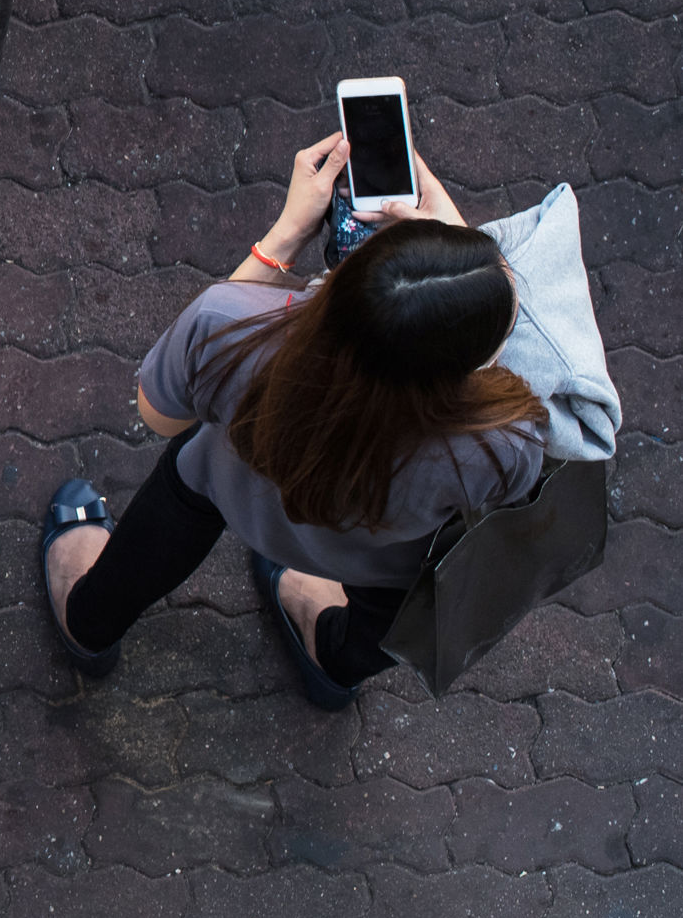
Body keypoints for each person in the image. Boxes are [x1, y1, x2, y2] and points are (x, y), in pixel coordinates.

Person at [40, 135, 548, 708]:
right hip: (385, 567)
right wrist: (464, 272)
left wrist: (285, 237)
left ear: (347, 279)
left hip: (233, 493)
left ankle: (90, 623)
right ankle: (331, 664)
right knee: (376, 626)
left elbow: (159, 417)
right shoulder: (506, 438)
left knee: (181, 494)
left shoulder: (231, 328)